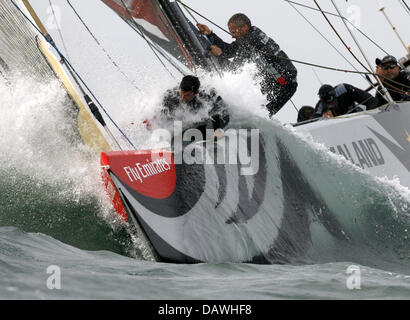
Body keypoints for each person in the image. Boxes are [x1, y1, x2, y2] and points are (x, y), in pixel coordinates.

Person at [196, 13, 298, 117]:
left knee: (259, 113)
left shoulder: (251, 41)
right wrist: (209, 34)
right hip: (280, 79)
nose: (232, 35)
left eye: (233, 32)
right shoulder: (252, 34)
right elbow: (230, 50)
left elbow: (233, 69)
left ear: (244, 27)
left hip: (284, 83)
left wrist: (220, 55)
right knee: (257, 109)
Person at [159, 75, 229, 137]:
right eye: (182, 93)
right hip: (180, 125)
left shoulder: (205, 97)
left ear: (196, 92)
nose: (183, 98)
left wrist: (218, 131)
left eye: (187, 95)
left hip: (198, 126)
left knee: (206, 125)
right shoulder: (170, 96)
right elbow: (159, 114)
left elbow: (223, 111)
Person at [314, 83, 379, 118]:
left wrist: (369, 118)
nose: (331, 104)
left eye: (331, 100)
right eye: (327, 103)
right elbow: (313, 124)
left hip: (357, 116)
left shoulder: (344, 89)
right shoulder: (320, 106)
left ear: (335, 94)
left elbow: (371, 101)